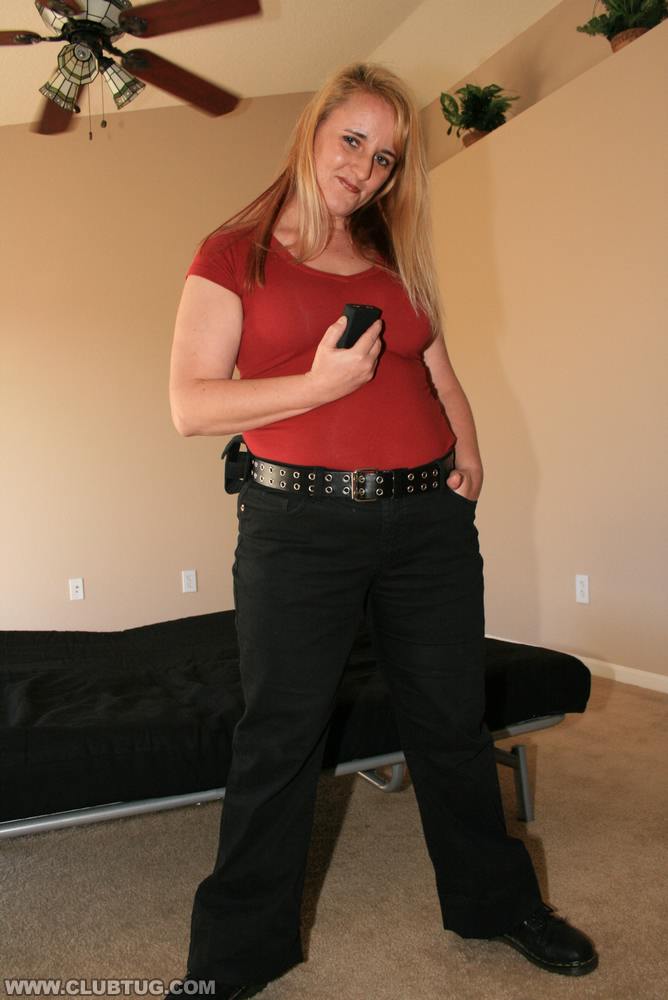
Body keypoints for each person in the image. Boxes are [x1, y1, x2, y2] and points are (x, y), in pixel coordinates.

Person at [167, 62, 598, 998]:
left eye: (386, 158)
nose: (364, 170)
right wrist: (316, 386)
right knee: (280, 735)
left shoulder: (393, 259)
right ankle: (233, 959)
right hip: (297, 524)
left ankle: (495, 904)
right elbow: (190, 405)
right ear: (313, 128)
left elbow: (439, 370)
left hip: (426, 524)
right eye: (352, 140)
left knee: (450, 719)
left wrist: (467, 455)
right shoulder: (234, 252)